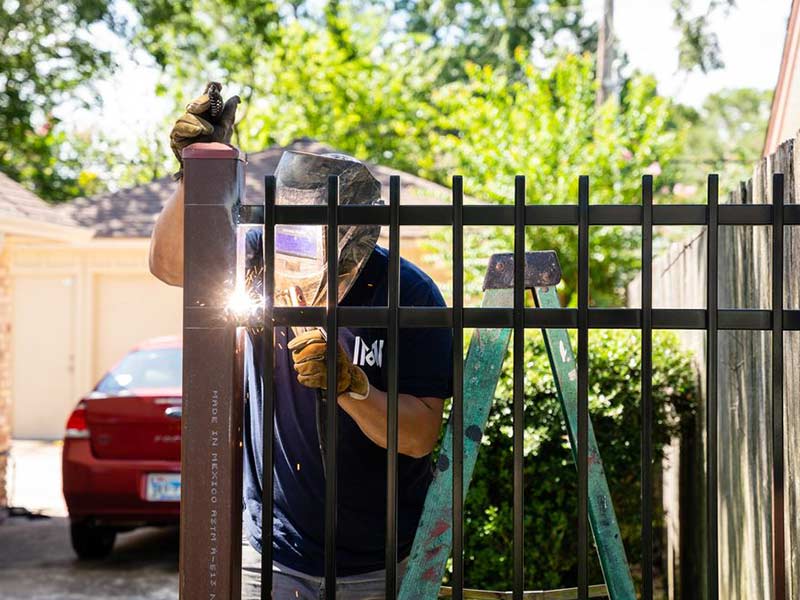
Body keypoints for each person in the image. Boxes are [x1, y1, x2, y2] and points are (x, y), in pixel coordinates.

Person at [149, 84, 453, 599]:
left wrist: (352, 386)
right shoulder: (261, 255)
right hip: (270, 552)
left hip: (377, 559)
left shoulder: (409, 291)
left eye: (321, 261)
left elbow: (422, 435)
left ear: (357, 248)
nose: (298, 275)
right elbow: (170, 265)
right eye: (291, 248)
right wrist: (193, 176)